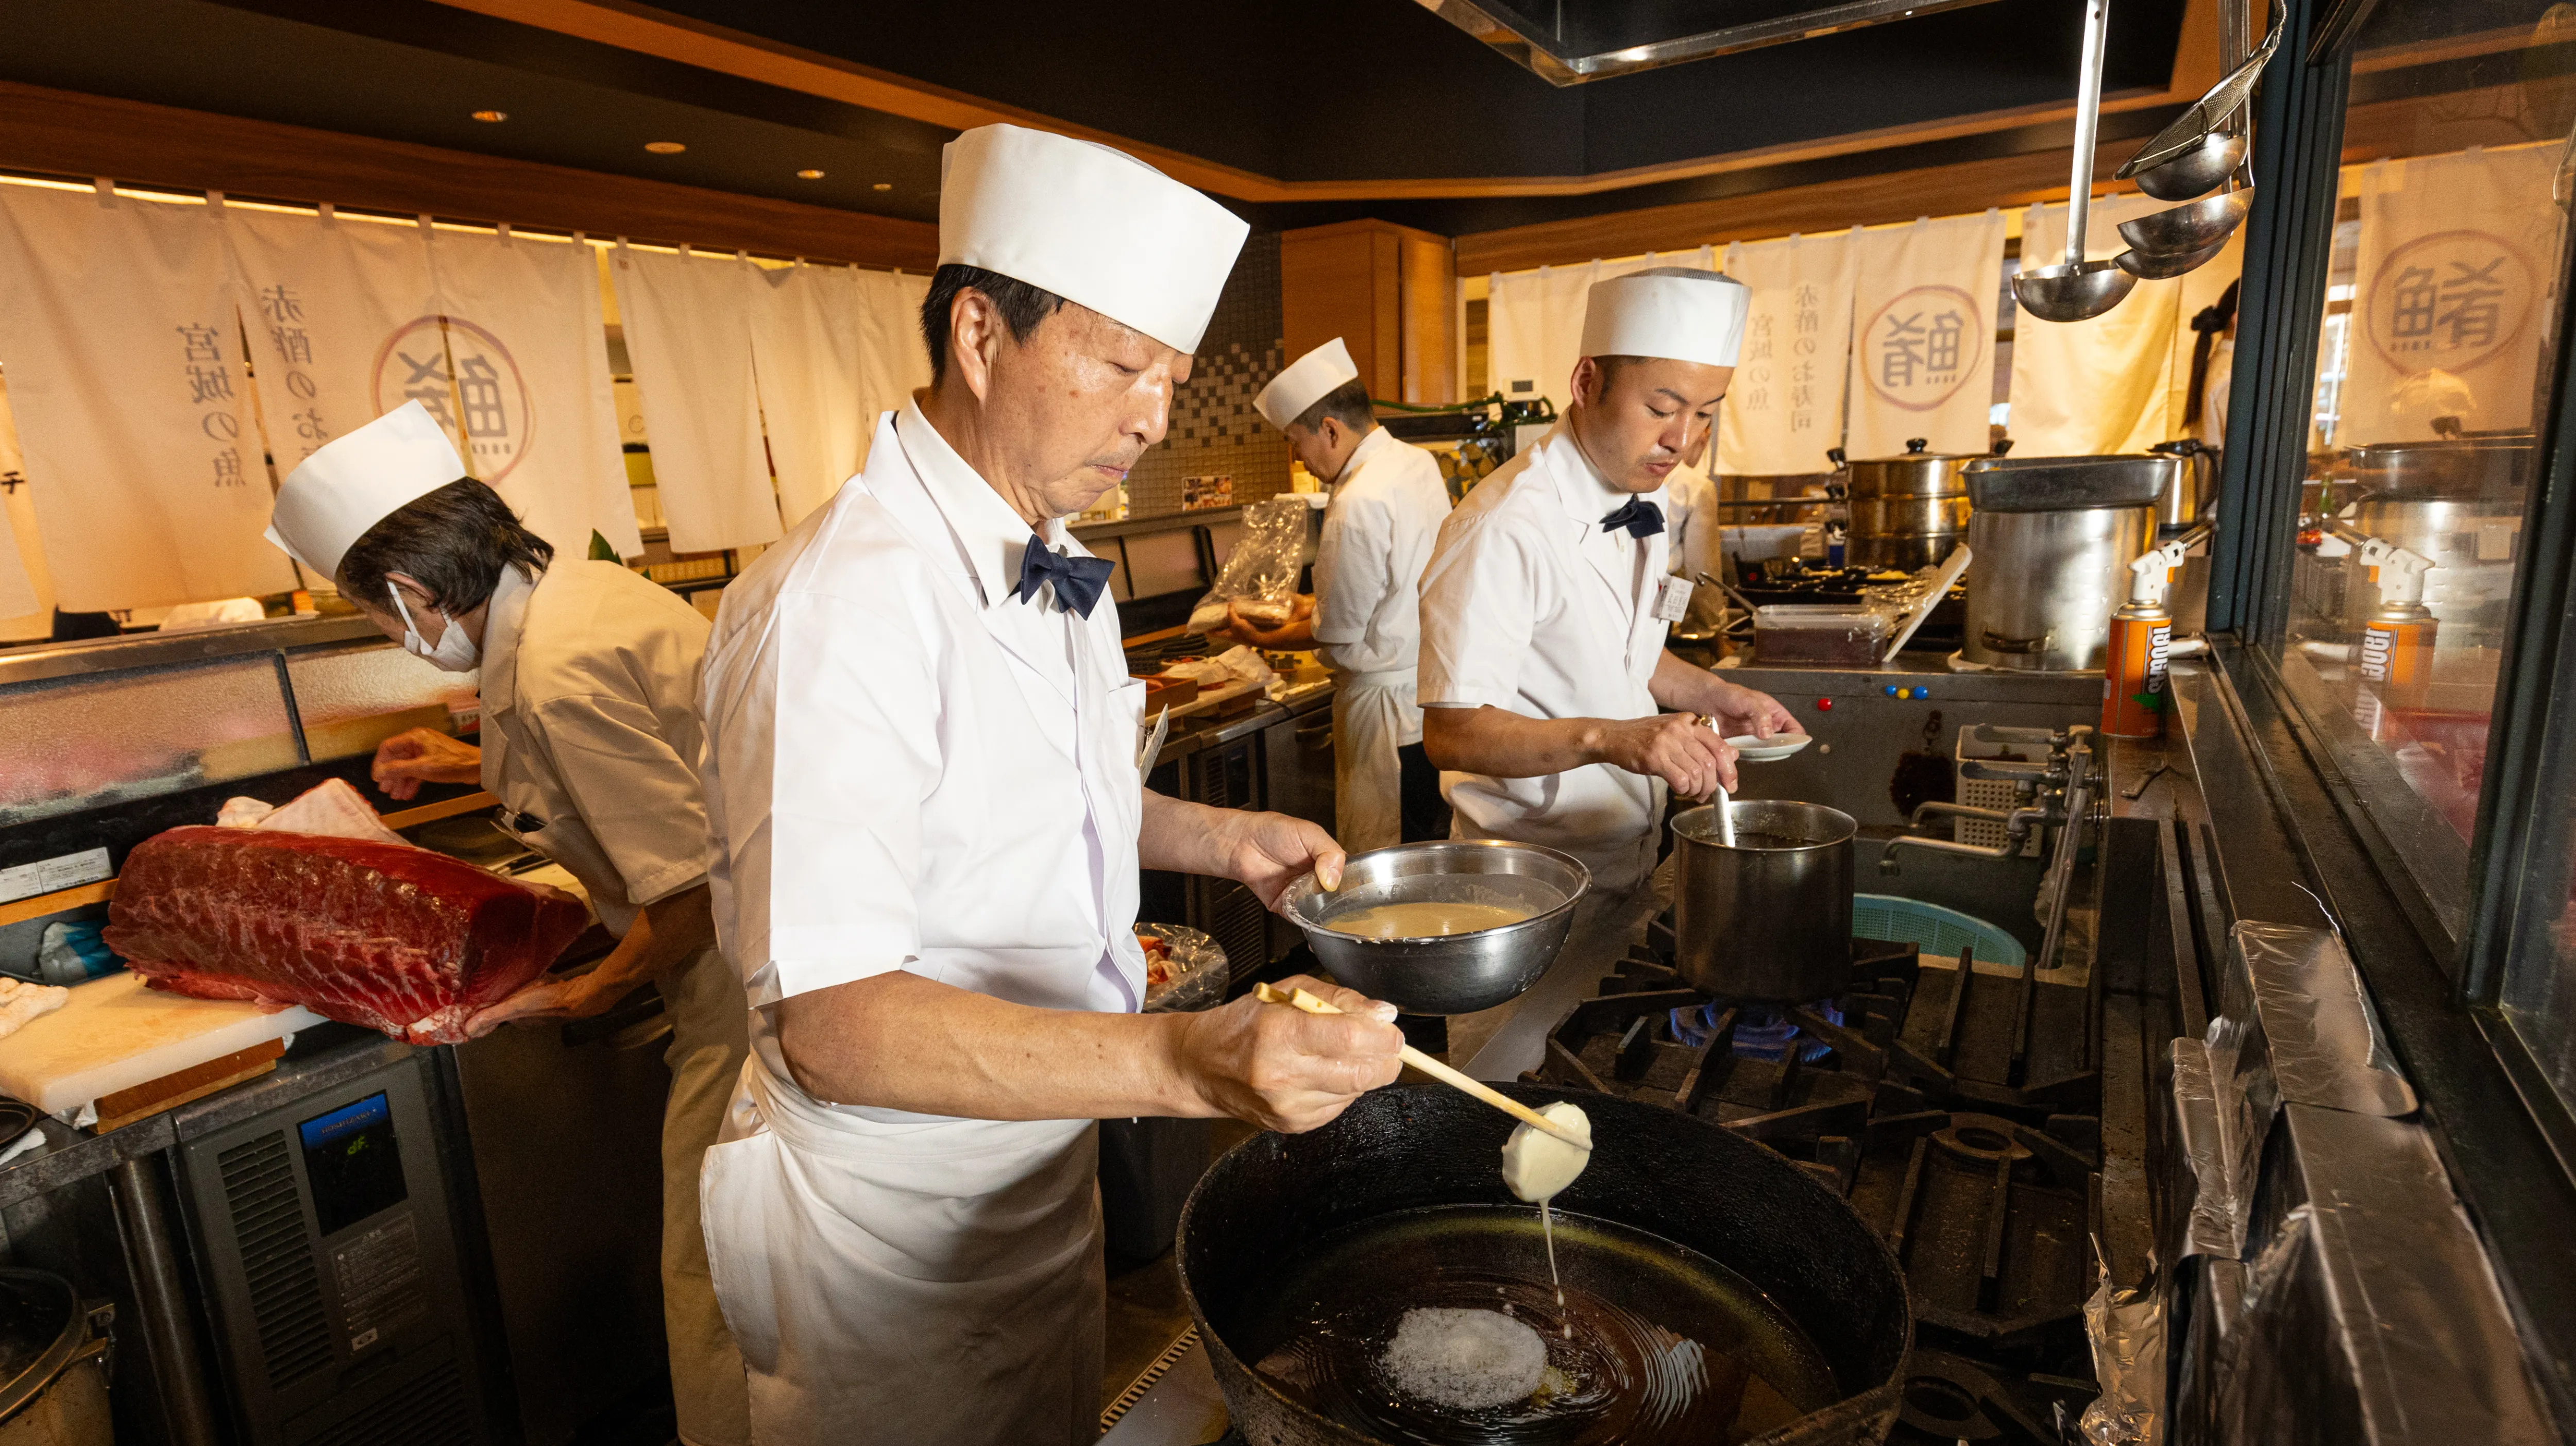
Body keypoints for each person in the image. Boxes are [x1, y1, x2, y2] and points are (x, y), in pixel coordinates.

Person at [691, 123, 1405, 1446]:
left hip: (1036, 1160)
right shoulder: (843, 605)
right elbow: (832, 1019)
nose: (1153, 414)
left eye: (1170, 377)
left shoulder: (1048, 549)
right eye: (1124, 366)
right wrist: (1185, 1058)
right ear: (979, 333)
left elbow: (1049, 797)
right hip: (884, 1226)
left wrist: (1221, 835)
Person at [264, 401, 751, 1446]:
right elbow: (630, 744)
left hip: (740, 977)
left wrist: (582, 991)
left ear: (412, 591)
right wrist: (462, 761)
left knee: (715, 1257)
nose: (391, 638)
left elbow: (690, 890)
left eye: (377, 617)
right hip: (761, 946)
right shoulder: (574, 594)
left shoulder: (557, 672)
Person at [1417, 268, 1799, 1017]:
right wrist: (1615, 739)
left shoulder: (1640, 496)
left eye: (1705, 414)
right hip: (1526, 890)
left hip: (1629, 858)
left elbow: (1628, 651)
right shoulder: (1503, 527)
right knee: (1517, 1073)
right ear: (1587, 381)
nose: (1681, 440)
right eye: (1662, 408)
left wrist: (1718, 693)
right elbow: (1452, 732)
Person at [1224, 338, 1453, 851]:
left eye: (1295, 441)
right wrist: (1304, 604)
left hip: (1383, 719)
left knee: (1385, 862)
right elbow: (1394, 588)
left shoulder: (1357, 499)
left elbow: (1336, 630)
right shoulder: (1416, 463)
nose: (1298, 458)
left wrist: (1250, 634)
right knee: (1422, 851)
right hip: (1426, 709)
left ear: (1330, 429)